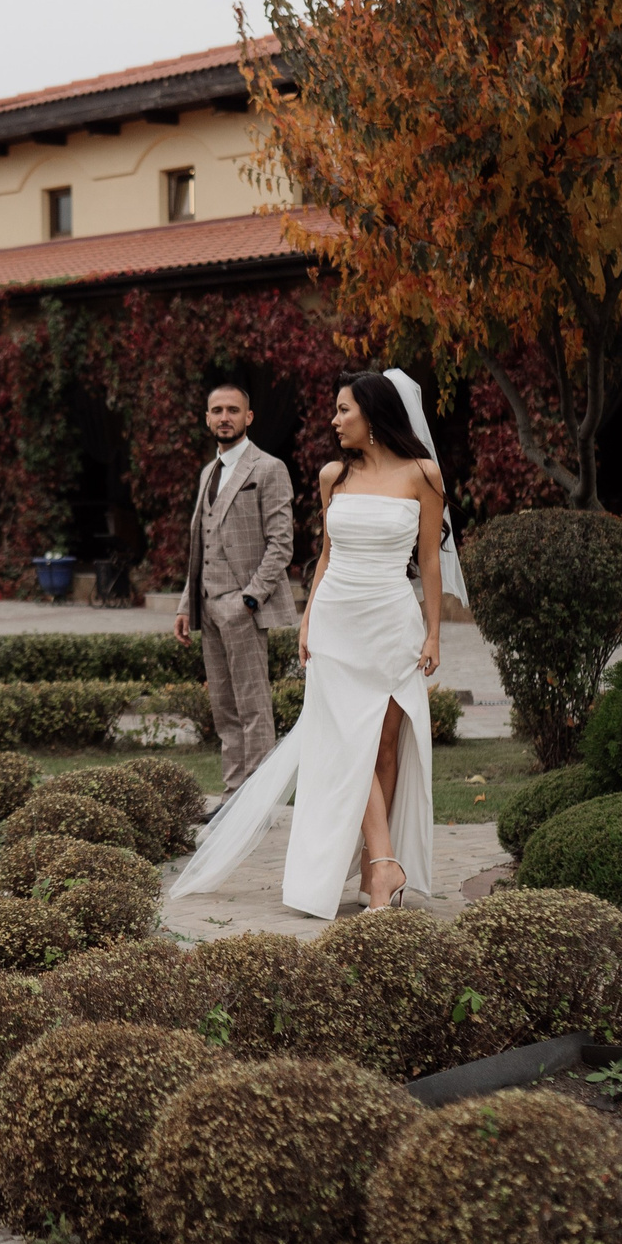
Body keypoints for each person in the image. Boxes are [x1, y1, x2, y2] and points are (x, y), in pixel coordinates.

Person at [168, 369, 468, 917]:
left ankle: (373, 867)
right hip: (336, 623)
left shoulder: (424, 474)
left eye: (343, 410)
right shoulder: (334, 475)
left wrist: (432, 632)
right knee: (346, 743)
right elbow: (325, 555)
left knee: (382, 746)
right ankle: (384, 868)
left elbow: (428, 560)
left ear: (372, 415)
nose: (333, 420)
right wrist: (308, 621)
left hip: (392, 624)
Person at [172, 380, 297, 793]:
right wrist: (185, 606)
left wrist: (250, 598)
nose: (225, 417)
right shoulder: (209, 472)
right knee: (224, 709)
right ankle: (232, 795)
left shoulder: (268, 468)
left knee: (254, 708)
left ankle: (256, 803)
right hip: (208, 609)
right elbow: (199, 543)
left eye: (233, 410)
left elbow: (281, 544)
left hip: (243, 608)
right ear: (207, 418)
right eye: (217, 410)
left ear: (249, 417)